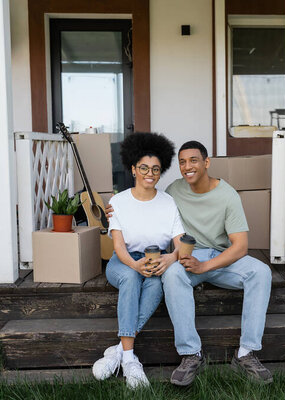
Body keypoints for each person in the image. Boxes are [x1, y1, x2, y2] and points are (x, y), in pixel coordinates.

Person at [106, 140, 273, 386]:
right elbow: (146, 198)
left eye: (193, 161)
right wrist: (114, 209)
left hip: (219, 258)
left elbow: (240, 247)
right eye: (182, 162)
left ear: (206, 163)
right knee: (172, 276)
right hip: (185, 257)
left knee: (261, 271)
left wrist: (205, 266)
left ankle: (246, 353)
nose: (187, 167)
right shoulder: (174, 191)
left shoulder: (227, 195)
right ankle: (190, 354)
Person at [92, 132, 184, 389]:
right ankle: (131, 359)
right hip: (123, 262)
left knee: (156, 285)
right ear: (133, 169)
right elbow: (119, 246)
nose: (150, 173)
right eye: (144, 167)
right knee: (132, 278)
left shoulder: (168, 203)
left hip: (155, 260)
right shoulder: (118, 202)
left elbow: (179, 245)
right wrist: (134, 265)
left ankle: (119, 352)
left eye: (155, 168)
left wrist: (170, 258)